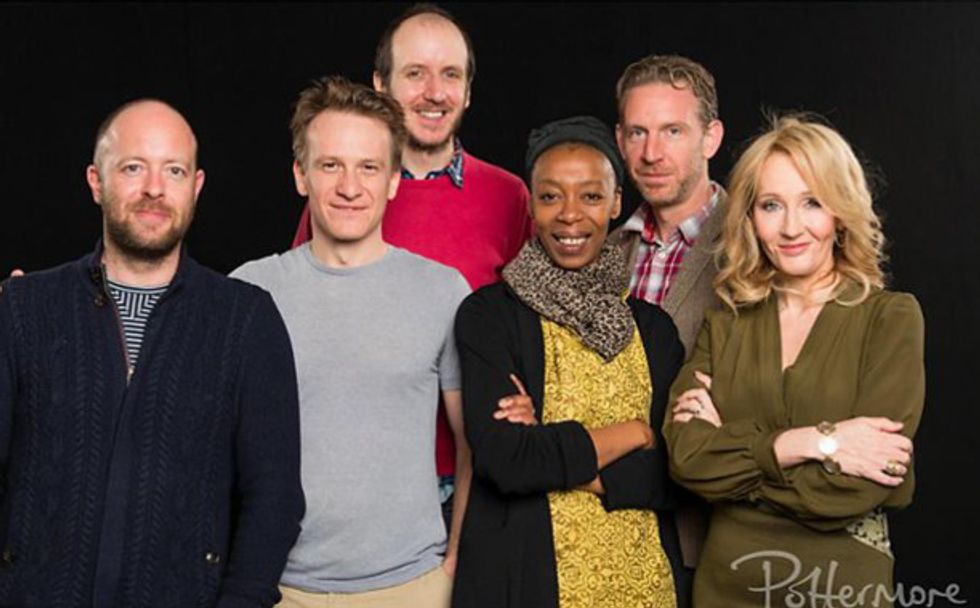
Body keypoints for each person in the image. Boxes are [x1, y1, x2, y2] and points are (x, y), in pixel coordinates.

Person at [0, 100, 304, 608]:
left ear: (196, 186)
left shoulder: (246, 320)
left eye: (174, 170)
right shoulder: (24, 309)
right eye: (133, 167)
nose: (155, 189)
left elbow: (274, 500)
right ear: (96, 181)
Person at [290, 4, 533, 550]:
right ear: (381, 85)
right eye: (415, 73)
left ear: (468, 91)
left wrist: (533, 397)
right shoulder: (345, 196)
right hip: (356, 484)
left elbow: (533, 327)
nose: (434, 93)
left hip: (477, 479)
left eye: (451, 75)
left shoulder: (509, 196)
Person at [663, 115, 924, 607]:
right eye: (771, 205)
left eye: (812, 203)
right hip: (726, 589)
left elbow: (860, 485)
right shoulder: (727, 323)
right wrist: (817, 443)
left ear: (841, 211)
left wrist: (733, 464)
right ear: (749, 216)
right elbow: (686, 458)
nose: (790, 227)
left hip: (841, 590)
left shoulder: (889, 318)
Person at [231, 76, 469, 608]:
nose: (349, 187)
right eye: (330, 165)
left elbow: (472, 439)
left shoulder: (443, 291)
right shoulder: (249, 291)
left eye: (368, 167)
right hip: (278, 589)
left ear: (393, 179)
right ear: (301, 175)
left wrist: (455, 560)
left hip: (412, 587)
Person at [453, 116, 689, 608]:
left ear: (616, 203)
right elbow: (506, 461)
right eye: (550, 196)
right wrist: (635, 434)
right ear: (531, 205)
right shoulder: (488, 317)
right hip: (526, 586)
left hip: (646, 589)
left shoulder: (655, 331)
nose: (570, 215)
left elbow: (677, 471)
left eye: (591, 196)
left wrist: (550, 449)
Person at [609, 52, 726, 576]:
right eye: (638, 133)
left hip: (709, 537)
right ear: (619, 140)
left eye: (673, 131)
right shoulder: (603, 252)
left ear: (710, 138)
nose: (651, 153)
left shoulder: (755, 245)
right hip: (614, 532)